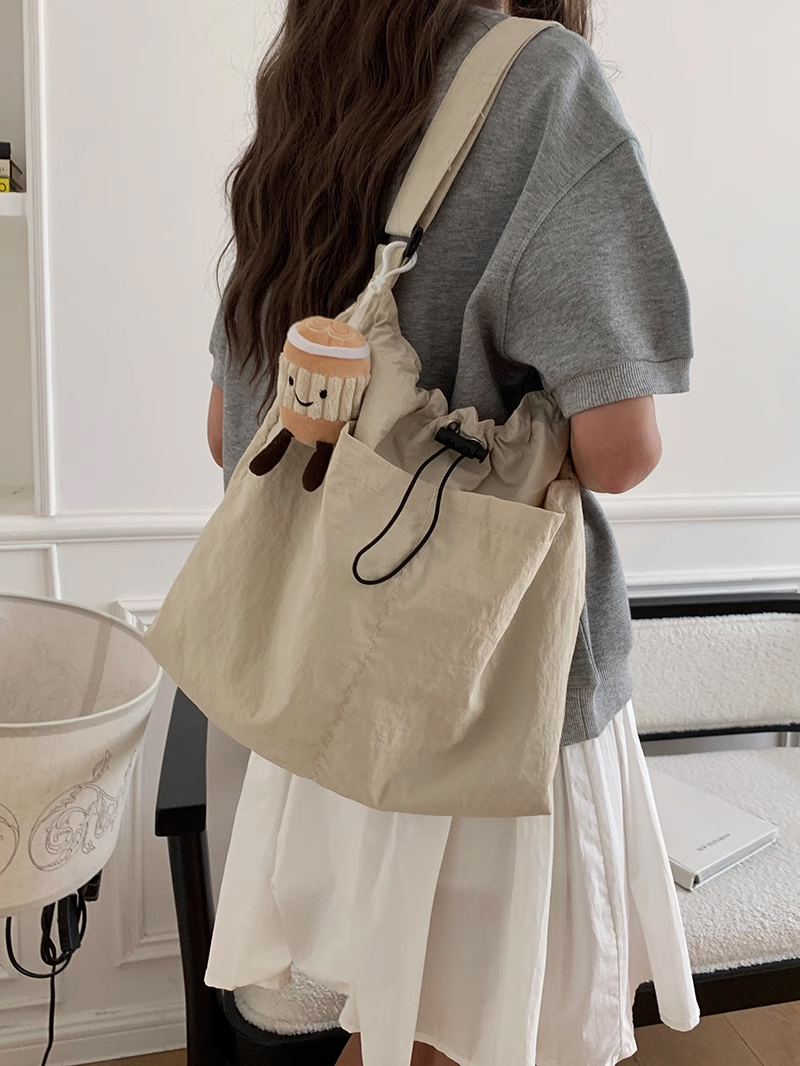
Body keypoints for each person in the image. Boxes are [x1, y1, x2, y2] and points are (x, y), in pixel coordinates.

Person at [203, 2, 701, 1064]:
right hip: (490, 691)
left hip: (326, 689)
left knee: (397, 1031)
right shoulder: (544, 83)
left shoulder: (310, 89)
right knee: (481, 1037)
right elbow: (620, 450)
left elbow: (227, 432)